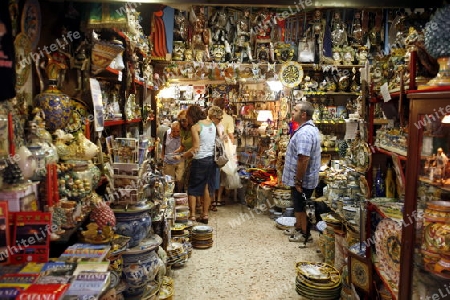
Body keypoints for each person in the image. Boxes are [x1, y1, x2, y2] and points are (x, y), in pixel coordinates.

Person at [282, 101, 321, 243]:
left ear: (303, 114)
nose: (292, 112)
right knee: (298, 205)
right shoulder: (307, 129)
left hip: (302, 180)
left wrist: (298, 180)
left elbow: (303, 159)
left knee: (301, 207)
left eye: (295, 110)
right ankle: (298, 228)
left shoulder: (305, 133)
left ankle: (304, 234)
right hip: (302, 179)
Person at [175, 105, 216, 224]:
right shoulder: (211, 124)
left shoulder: (195, 127)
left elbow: (195, 148)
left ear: (192, 116)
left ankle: (192, 215)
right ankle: (205, 214)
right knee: (206, 187)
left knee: (192, 188)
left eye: (188, 117)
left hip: (199, 160)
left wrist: (182, 156)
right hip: (210, 159)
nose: (187, 120)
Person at [213, 98, 235, 204]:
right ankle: (219, 198)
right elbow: (231, 135)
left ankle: (213, 198)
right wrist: (233, 148)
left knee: (215, 173)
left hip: (213, 149)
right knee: (223, 174)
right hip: (224, 150)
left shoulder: (211, 118)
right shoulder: (228, 118)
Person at [208, 106, 224, 211]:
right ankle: (210, 202)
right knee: (211, 180)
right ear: (213, 117)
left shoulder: (214, 126)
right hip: (211, 157)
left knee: (212, 181)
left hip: (214, 157)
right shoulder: (211, 127)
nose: (220, 120)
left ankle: (211, 201)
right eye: (219, 118)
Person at [161, 121, 184, 193]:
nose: (175, 133)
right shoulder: (166, 133)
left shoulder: (183, 134)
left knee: (180, 179)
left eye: (177, 131)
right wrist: (162, 157)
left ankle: (179, 193)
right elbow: (164, 146)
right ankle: (170, 196)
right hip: (168, 161)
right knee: (169, 181)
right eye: (173, 131)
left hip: (180, 160)